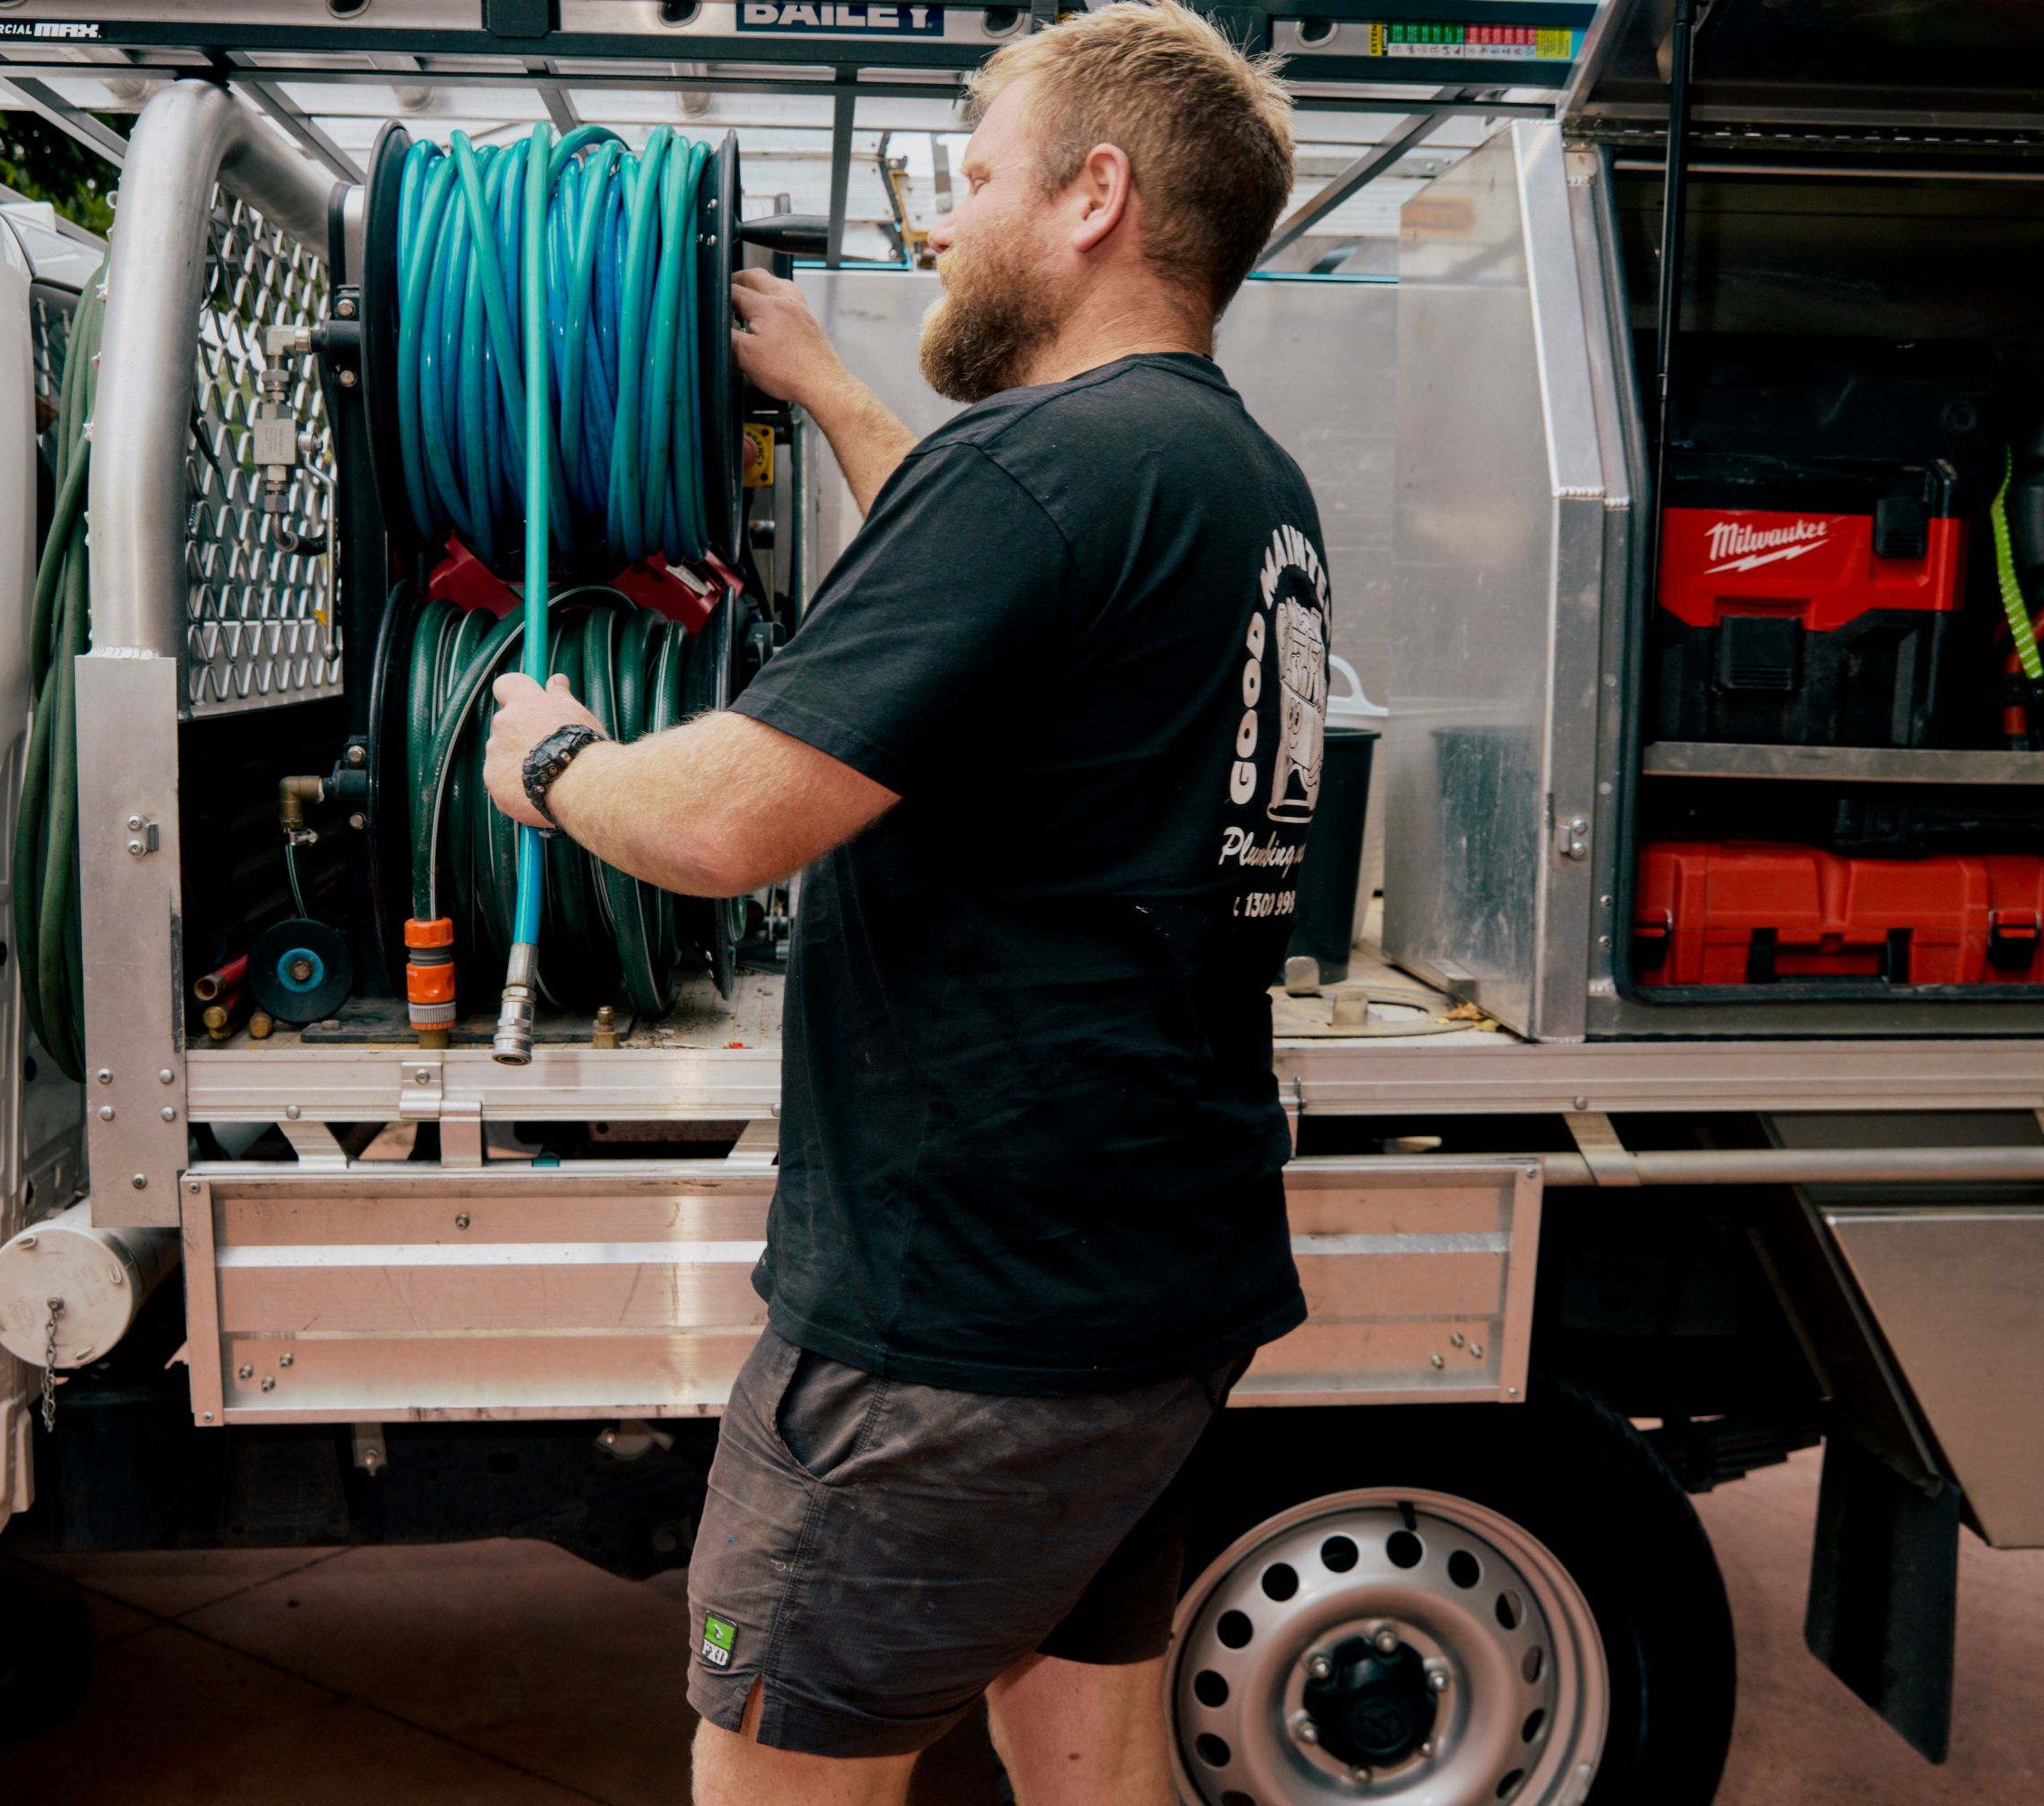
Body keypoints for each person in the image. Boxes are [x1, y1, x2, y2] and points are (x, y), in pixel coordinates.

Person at [481, 5, 1332, 1799]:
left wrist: (553, 763)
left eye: (967, 180)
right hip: (1143, 1295)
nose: (934, 225)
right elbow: (979, 616)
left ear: (1095, 194)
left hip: (953, 1335)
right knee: (1085, 1752)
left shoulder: (1040, 472)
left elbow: (728, 825)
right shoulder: (1232, 476)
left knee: (782, 1774)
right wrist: (833, 391)